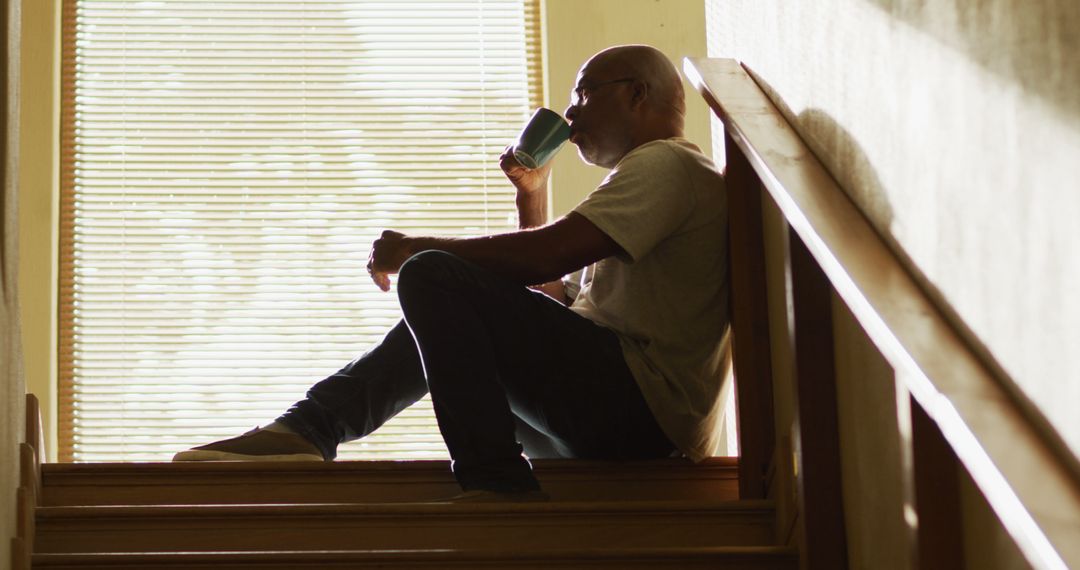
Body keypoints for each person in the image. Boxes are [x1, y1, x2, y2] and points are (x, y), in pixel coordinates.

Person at [174, 44, 730, 502]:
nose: (573, 113)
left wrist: (412, 249)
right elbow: (553, 297)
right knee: (452, 311)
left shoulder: (667, 163)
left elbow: (542, 258)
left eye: (585, 93)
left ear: (638, 94)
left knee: (434, 276)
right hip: (625, 417)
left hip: (638, 408)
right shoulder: (651, 183)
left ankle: (488, 478)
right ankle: (309, 428)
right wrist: (531, 198)